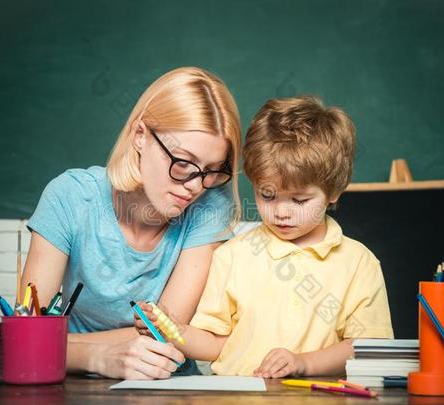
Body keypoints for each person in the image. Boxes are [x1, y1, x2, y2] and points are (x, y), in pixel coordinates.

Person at [136, 95, 394, 377]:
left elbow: (369, 346)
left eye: (299, 200)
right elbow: (216, 344)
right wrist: (173, 331)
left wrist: (304, 363)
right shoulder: (232, 255)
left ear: (333, 192)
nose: (281, 212)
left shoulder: (358, 262)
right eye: (267, 195)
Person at [21, 67, 242, 379]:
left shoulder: (210, 206)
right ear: (141, 136)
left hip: (166, 386)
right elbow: (25, 339)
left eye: (212, 170)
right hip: (71, 384)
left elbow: (163, 332)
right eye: (183, 164)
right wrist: (97, 356)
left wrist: (58, 344)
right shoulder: (70, 196)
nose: (195, 186)